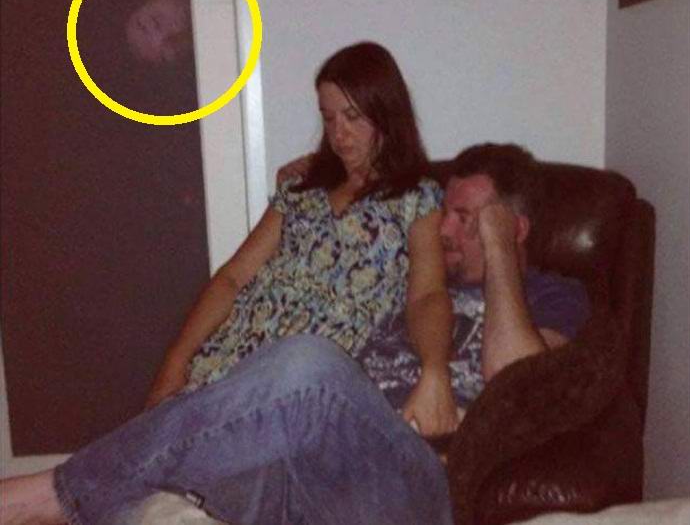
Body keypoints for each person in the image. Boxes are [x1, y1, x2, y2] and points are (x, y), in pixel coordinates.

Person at [1, 42, 457, 525]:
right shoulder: (301, 189)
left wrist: (435, 370)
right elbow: (233, 277)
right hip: (225, 373)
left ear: (385, 112)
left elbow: (427, 295)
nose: (339, 134)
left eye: (352, 117)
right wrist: (175, 363)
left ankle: (49, 498)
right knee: (158, 485)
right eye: (328, 119)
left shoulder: (416, 198)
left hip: (294, 392)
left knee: (284, 383)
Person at [281, 143, 591, 415]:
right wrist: (302, 194)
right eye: (444, 212)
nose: (443, 230)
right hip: (345, 415)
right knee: (292, 363)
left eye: (464, 217)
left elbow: (515, 380)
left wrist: (500, 246)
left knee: (304, 358)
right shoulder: (419, 278)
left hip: (418, 439)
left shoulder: (555, 295)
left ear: (515, 229)